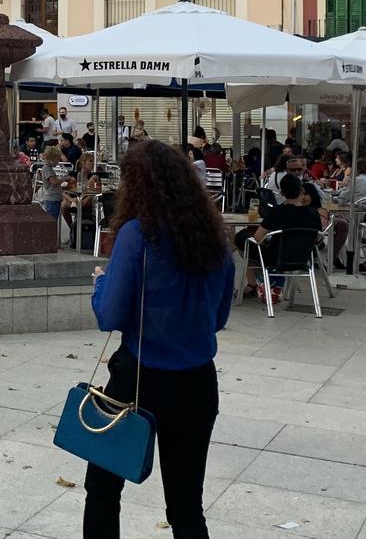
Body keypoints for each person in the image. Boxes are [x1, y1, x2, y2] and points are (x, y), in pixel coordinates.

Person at [85, 140, 232, 537]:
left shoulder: (138, 236)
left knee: (102, 489)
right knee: (186, 505)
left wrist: (100, 284)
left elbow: (111, 315)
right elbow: (218, 318)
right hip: (197, 381)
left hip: (137, 379)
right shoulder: (215, 238)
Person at [238, 173, 322, 304]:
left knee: (243, 239)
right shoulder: (313, 214)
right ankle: (262, 282)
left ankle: (255, 282)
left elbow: (258, 237)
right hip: (303, 259)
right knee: (251, 245)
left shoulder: (277, 212)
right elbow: (317, 240)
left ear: (282, 193)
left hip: (275, 258)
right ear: (301, 191)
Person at [36, 145, 70, 221]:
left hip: (55, 198)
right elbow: (54, 182)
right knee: (52, 220)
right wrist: (64, 179)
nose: (58, 162)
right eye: (57, 159)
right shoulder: (47, 169)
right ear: (52, 158)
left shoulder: (49, 168)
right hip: (52, 199)